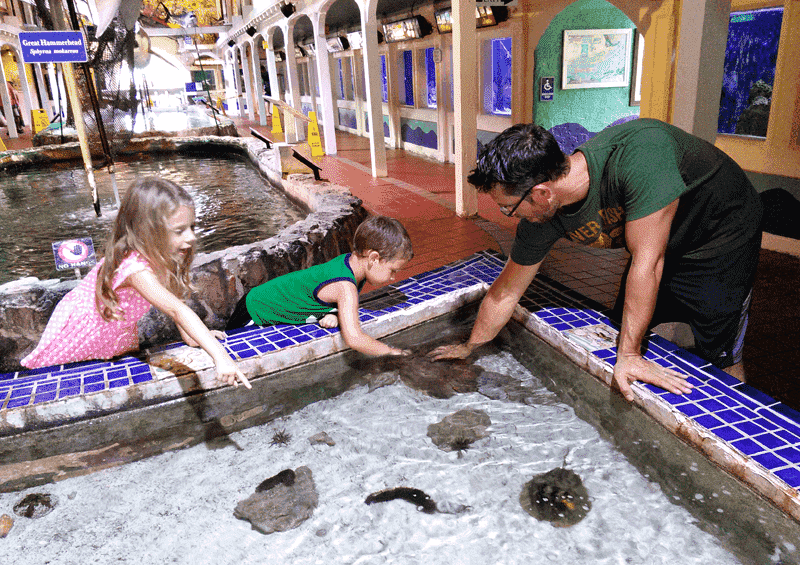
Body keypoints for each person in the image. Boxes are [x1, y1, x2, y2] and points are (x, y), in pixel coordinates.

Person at [431, 118, 763, 402]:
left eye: (508, 207)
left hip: (721, 235)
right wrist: (471, 348)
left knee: (721, 350)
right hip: (661, 240)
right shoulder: (540, 217)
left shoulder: (639, 157)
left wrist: (631, 356)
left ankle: (745, 420)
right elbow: (505, 293)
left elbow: (647, 264)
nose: (508, 215)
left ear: (542, 193)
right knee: (626, 326)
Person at [21, 177, 251, 389]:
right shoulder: (135, 269)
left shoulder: (161, 254)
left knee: (115, 377)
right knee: (68, 381)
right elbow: (178, 310)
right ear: (147, 232)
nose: (191, 237)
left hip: (114, 325)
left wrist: (194, 336)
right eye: (179, 230)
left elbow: (174, 303)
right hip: (86, 328)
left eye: (192, 227)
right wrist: (220, 357)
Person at [226, 215, 413, 357]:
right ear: (373, 258)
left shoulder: (350, 263)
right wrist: (392, 352)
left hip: (259, 301)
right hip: (255, 311)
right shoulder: (345, 286)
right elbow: (355, 339)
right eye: (392, 270)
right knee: (231, 353)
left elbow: (319, 295)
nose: (392, 278)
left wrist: (333, 314)